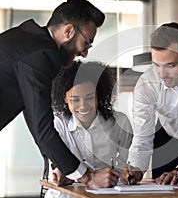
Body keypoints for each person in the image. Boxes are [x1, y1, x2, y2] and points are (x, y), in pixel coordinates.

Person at [0, 0, 107, 188]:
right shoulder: (40, 55)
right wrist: (88, 177)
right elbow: (43, 129)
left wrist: (59, 164)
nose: (85, 53)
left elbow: (34, 118)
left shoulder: (30, 40)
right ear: (68, 31)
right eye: (86, 43)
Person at [119, 22, 178, 185]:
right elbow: (142, 137)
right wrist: (135, 168)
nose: (162, 74)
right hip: (168, 140)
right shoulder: (146, 84)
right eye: (157, 65)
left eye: (171, 65)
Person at [45, 61, 133, 197]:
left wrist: (124, 172)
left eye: (90, 98)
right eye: (75, 99)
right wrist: (62, 173)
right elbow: (58, 164)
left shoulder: (120, 122)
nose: (83, 106)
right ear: (65, 98)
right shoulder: (57, 123)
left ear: (99, 94)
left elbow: (127, 163)